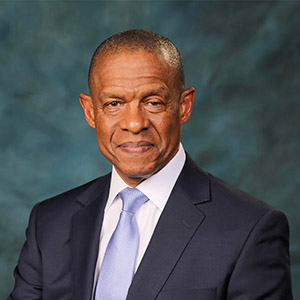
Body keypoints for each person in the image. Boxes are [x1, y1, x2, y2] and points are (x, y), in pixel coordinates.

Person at [8, 29, 293, 300]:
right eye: (114, 104)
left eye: (153, 102)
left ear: (183, 106)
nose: (134, 123)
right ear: (90, 111)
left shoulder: (250, 228)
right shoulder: (48, 222)